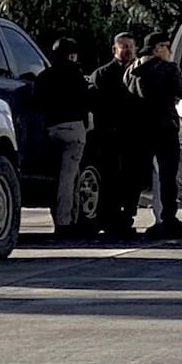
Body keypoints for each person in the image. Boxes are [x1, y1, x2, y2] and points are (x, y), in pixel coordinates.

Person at [125, 31, 182, 238]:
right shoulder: (169, 69)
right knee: (168, 176)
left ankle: (125, 217)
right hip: (165, 127)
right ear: (157, 49)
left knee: (136, 176)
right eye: (166, 46)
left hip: (139, 129)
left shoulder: (131, 70)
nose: (170, 51)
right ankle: (168, 219)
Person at [35, 37, 90, 238]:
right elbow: (86, 102)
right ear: (72, 55)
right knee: (69, 178)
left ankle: (65, 218)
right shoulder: (76, 75)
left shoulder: (44, 76)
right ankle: (65, 222)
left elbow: (38, 103)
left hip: (51, 129)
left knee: (59, 176)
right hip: (73, 129)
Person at [88, 32, 140, 236]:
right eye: (123, 46)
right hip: (109, 135)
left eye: (130, 46)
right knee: (110, 177)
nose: (127, 50)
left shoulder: (141, 72)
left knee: (132, 178)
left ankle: (127, 217)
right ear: (115, 49)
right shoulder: (102, 74)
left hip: (134, 134)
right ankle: (109, 218)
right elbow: (96, 103)